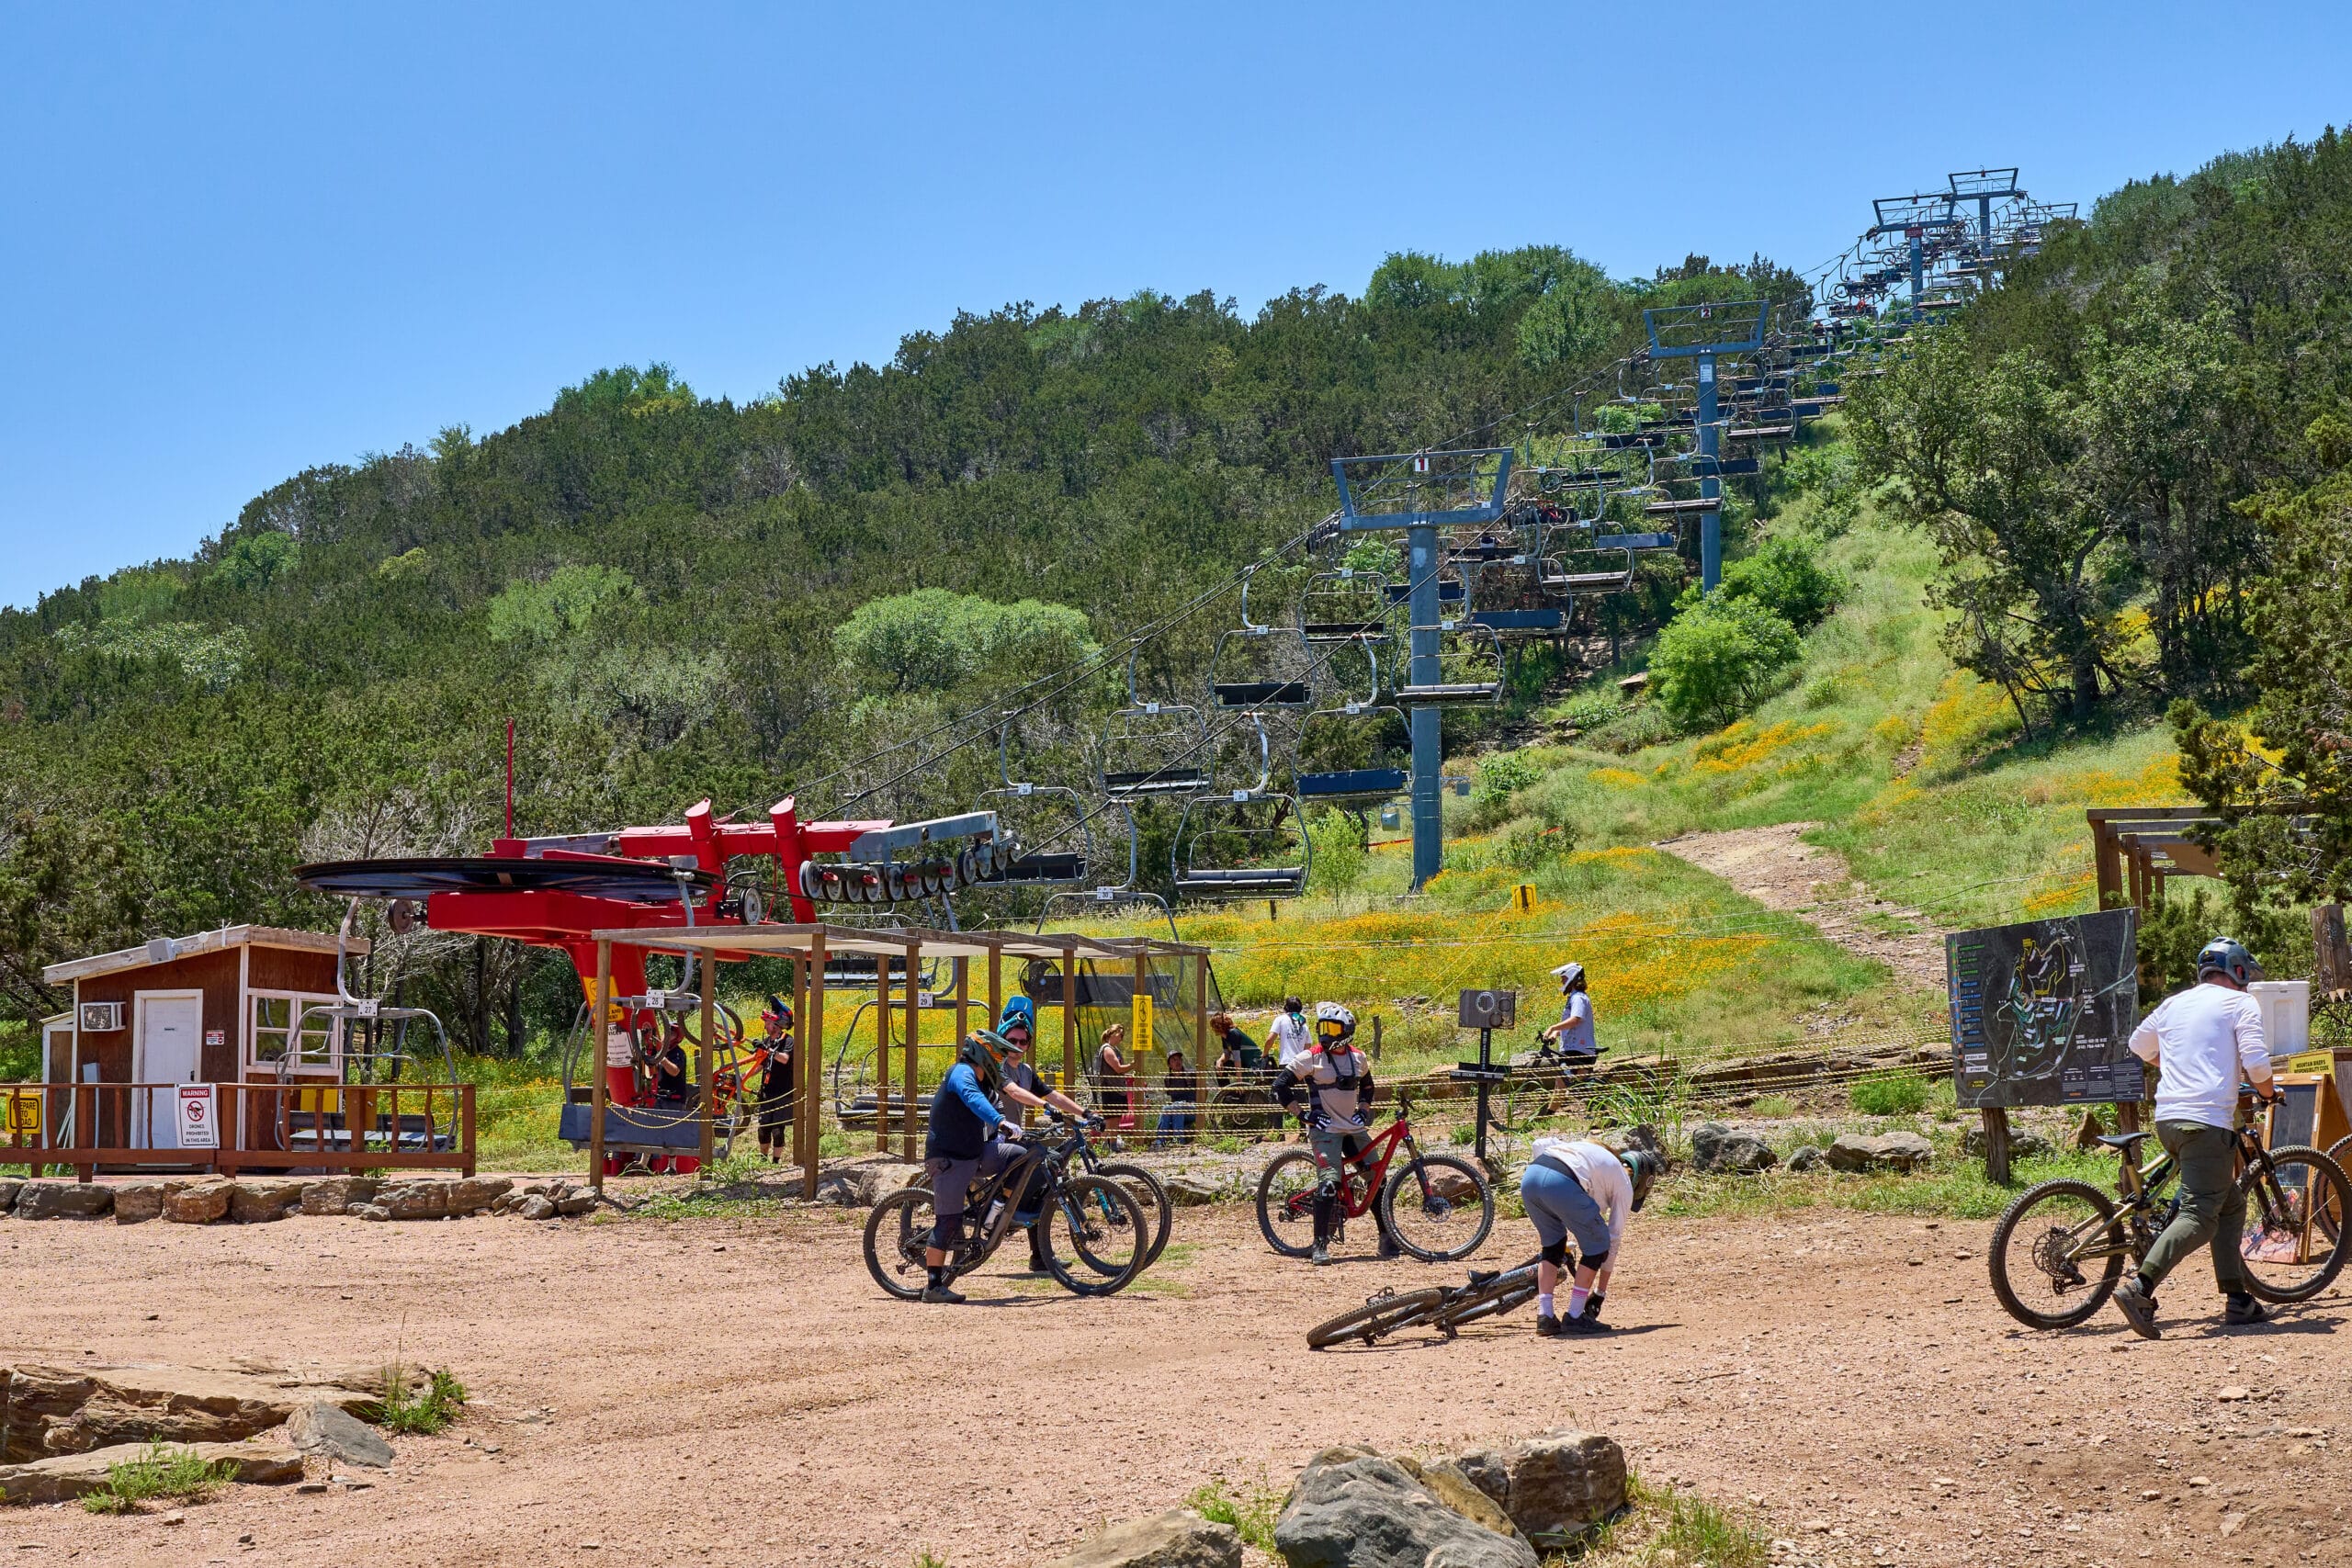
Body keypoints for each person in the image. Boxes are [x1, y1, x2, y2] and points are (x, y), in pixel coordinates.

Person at [2110, 937, 2282, 1338]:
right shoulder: (2240, 1004)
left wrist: (2174, 1063)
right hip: (2205, 1122)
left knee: (2230, 1203)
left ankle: (2238, 1300)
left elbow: (2139, 1045)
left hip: (2168, 1119)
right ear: (2238, 971)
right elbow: (2257, 1063)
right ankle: (2140, 1288)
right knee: (2200, 1215)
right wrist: (2270, 1093)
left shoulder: (2175, 1003)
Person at [1272, 1002, 1400, 1265]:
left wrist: (1364, 1110)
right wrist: (1303, 1115)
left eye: (1331, 1028)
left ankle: (1387, 1237)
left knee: (1378, 1181)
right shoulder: (1310, 1057)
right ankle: (1320, 1245)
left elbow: (1368, 1085)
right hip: (1325, 1132)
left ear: (1347, 1031)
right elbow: (1279, 1087)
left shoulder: (1358, 1057)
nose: (1325, 1034)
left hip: (1354, 1129)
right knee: (1329, 1185)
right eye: (1322, 1028)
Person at [919, 1026, 1031, 1304]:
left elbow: (1012, 1090)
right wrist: (1001, 1122)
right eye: (995, 1054)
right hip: (949, 1159)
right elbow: (973, 1099)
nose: (998, 1060)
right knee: (948, 1222)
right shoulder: (962, 1073)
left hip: (975, 1153)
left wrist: (1049, 1107)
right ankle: (933, 1286)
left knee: (1018, 1155)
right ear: (981, 1053)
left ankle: (993, 1212)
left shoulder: (985, 1077)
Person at [987, 999, 1092, 1272]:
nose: (1018, 1047)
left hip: (1015, 1137)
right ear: (1002, 1037)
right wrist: (1044, 1106)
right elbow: (1013, 1092)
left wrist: (1085, 1112)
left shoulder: (1026, 1071)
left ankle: (1039, 1255)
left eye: (1024, 1042)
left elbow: (1052, 1093)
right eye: (1013, 1040)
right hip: (993, 1138)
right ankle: (1002, 1212)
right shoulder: (995, 1066)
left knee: (1047, 1179)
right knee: (1041, 1169)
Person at [1517, 1135, 1659, 1337]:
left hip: (1531, 1178)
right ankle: (1575, 1316)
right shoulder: (1623, 1182)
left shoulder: (1593, 1158)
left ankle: (1545, 1315)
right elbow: (1613, 1238)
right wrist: (1600, 1293)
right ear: (1640, 1181)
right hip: (1561, 1182)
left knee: (1553, 1246)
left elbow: (1540, 1144)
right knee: (1599, 1245)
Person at [755, 995, 795, 1164]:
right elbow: (758, 1065)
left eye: (768, 1022)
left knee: (778, 1130)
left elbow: (785, 1059)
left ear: (777, 1025)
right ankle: (763, 1160)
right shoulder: (766, 1041)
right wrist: (742, 1077)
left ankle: (776, 1162)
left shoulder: (788, 1040)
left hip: (783, 1092)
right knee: (763, 1129)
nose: (765, 1025)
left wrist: (769, 1051)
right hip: (766, 1091)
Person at [1542, 963, 1599, 1076]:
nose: (1562, 982)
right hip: (1572, 1049)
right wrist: (1556, 1033)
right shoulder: (1574, 997)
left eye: (1563, 978)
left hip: (1579, 1050)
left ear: (1571, 977)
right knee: (1563, 1085)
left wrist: (1552, 1028)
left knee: (1568, 1085)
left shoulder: (1578, 998)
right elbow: (1570, 1024)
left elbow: (1575, 1020)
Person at [1155, 1048, 1197, 1147]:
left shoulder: (1191, 1074)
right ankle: (1159, 1142)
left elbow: (1205, 1090)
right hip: (1176, 1108)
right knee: (1166, 1108)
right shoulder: (1168, 1079)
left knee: (1177, 1106)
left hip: (1193, 1108)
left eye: (1179, 1059)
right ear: (1169, 1065)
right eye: (1174, 1060)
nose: (1177, 1062)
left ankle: (1179, 1141)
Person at [1097, 1022, 1136, 1130]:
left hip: (1118, 1088)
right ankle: (1104, 1143)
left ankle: (1112, 1144)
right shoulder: (1107, 1049)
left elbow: (1117, 1071)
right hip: (1110, 1089)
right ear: (1113, 1034)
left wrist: (1126, 1072)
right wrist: (1132, 1066)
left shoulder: (1115, 1050)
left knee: (1117, 1118)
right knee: (1110, 1119)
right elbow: (1118, 1068)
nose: (1121, 1039)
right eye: (1121, 1035)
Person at [1210, 1012, 1261, 1081]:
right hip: (1244, 1065)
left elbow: (1237, 1057)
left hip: (1254, 1065)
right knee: (1220, 1064)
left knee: (1240, 1088)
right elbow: (1226, 1053)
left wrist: (1239, 1080)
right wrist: (1220, 1061)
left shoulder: (1233, 1033)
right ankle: (1225, 1090)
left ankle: (1242, 1087)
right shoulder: (1224, 1036)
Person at [1268, 997, 1313, 1070]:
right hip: (1301, 1064)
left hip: (1286, 1062)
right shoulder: (1304, 1025)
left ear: (1286, 1008)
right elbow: (1308, 1046)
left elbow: (1270, 1039)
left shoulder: (1281, 1019)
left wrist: (1265, 1054)